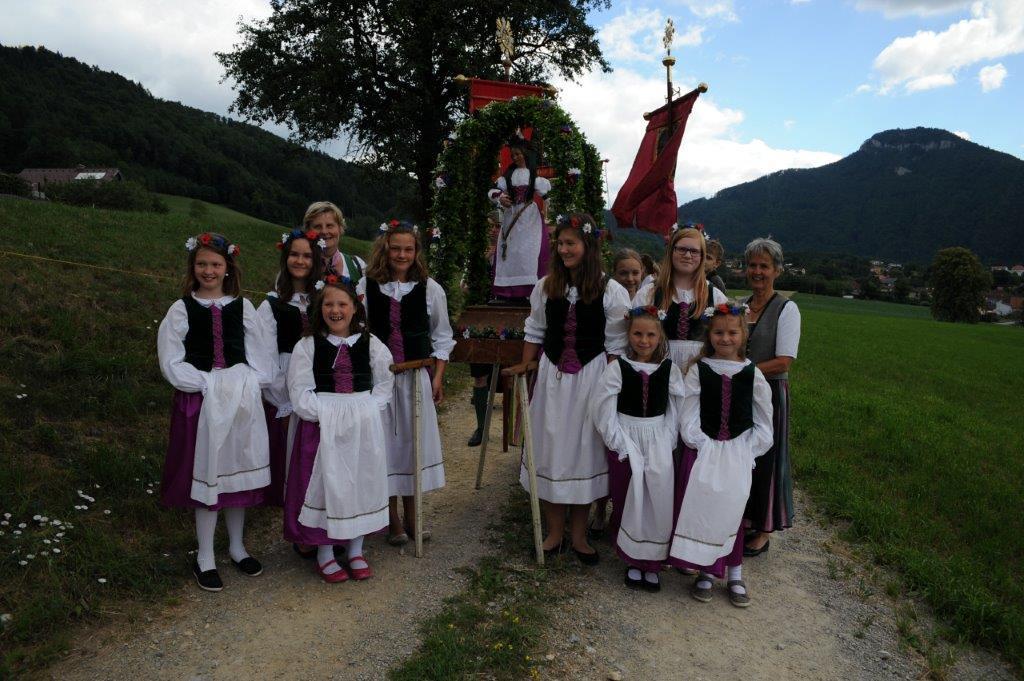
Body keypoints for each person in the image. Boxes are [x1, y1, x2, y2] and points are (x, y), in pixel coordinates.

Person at [508, 213, 630, 564]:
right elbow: (535, 329)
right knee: (552, 450)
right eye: (560, 243)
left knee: (584, 452)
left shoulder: (611, 291)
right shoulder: (547, 286)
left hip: (592, 380)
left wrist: (610, 391)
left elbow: (616, 346)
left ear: (588, 245)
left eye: (570, 243)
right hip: (553, 379)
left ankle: (579, 536)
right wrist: (527, 365)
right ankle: (554, 533)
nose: (563, 250)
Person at [157, 232, 272, 592]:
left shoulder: (243, 307)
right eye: (202, 264)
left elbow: (262, 355)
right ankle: (205, 555)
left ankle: (237, 547)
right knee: (209, 471)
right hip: (203, 401)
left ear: (228, 268)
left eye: (216, 264)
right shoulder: (181, 309)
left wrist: (245, 381)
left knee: (237, 470)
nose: (208, 270)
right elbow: (171, 359)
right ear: (193, 266)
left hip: (240, 399)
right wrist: (206, 382)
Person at [285, 277, 394, 582]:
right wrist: (322, 412)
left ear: (354, 308)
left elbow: (385, 379)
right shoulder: (308, 345)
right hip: (323, 423)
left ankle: (356, 549)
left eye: (342, 304)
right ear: (319, 309)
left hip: (361, 422)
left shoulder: (371, 343)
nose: (335, 310)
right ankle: (325, 552)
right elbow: (299, 388)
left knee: (359, 482)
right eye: (329, 304)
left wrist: (370, 406)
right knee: (327, 485)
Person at [669, 302, 773, 606]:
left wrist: (747, 449)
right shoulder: (699, 370)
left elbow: (764, 420)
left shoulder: (753, 374)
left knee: (733, 512)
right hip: (704, 451)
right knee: (705, 510)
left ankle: (735, 572)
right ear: (709, 335)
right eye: (718, 333)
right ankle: (706, 570)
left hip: (737, 454)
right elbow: (687, 414)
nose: (725, 338)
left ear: (743, 336)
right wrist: (702, 443)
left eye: (731, 333)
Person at [357, 220, 454, 545]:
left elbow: (442, 336)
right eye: (395, 249)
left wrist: (437, 377)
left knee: (413, 445)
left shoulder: (430, 288)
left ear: (416, 252)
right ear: (385, 249)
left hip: (416, 377)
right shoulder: (367, 286)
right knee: (384, 446)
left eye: (408, 249)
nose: (401, 255)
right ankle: (392, 518)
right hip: (380, 381)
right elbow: (358, 331)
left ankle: (414, 515)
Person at [591, 306, 684, 591]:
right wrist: (619, 444)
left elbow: (676, 409)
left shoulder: (669, 370)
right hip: (625, 437)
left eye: (650, 335)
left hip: (658, 439)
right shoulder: (617, 368)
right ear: (629, 335)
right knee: (626, 496)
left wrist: (667, 440)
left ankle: (652, 562)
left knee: (658, 498)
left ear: (660, 336)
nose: (644, 341)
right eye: (638, 334)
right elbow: (603, 409)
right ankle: (631, 558)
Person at [255, 228, 325, 518]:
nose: (300, 260)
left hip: (321, 382)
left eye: (307, 255)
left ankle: (321, 515)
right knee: (292, 455)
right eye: (294, 254)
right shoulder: (272, 304)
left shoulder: (324, 299)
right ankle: (296, 519)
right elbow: (265, 358)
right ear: (285, 258)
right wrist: (283, 401)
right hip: (286, 385)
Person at [739, 238, 801, 556]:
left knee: (768, 458)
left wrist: (742, 372)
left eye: (764, 266)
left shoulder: (786, 309)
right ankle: (743, 519)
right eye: (752, 265)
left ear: (777, 270)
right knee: (740, 457)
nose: (757, 271)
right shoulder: (739, 306)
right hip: (739, 393)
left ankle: (763, 530)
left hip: (771, 393)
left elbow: (783, 361)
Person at [589, 248, 648, 539]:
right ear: (614, 274)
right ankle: (600, 507)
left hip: (639, 375)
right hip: (611, 369)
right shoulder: (610, 296)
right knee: (606, 442)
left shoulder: (647, 299)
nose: (630, 278)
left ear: (643, 273)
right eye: (624, 273)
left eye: (635, 272)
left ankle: (628, 510)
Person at [633, 226, 728, 370]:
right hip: (657, 368)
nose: (688, 255)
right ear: (672, 251)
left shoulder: (715, 296)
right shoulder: (650, 293)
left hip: (701, 370)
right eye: (682, 249)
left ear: (702, 256)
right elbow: (633, 334)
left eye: (694, 251)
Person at [487, 138, 551, 303]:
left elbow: (547, 196)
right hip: (512, 216)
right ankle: (507, 293)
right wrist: (501, 198)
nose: (515, 157)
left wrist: (548, 211)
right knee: (511, 252)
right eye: (513, 155)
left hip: (530, 218)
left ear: (525, 154)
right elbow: (493, 191)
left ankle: (531, 291)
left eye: (517, 154)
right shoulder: (507, 176)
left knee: (529, 251)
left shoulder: (533, 176)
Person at [304, 201, 366, 280]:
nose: (324, 231)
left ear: (340, 228)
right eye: (317, 226)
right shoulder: (300, 265)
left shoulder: (357, 265)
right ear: (308, 231)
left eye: (329, 225)